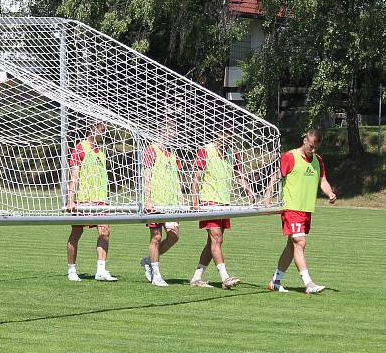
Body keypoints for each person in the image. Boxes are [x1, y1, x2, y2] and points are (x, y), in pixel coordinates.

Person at [264, 129, 336, 293]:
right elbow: (276, 175)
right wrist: (268, 194)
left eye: (316, 147)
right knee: (300, 242)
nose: (313, 150)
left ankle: (275, 281)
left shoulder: (318, 160)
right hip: (292, 208)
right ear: (305, 140)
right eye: (311, 146)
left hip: (306, 210)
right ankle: (308, 283)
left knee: (292, 246)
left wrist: (330, 193)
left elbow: (322, 180)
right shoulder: (290, 156)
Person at [189, 133, 256, 289]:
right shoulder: (206, 150)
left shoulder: (233, 153)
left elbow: (238, 175)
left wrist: (249, 190)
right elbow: (196, 176)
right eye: (227, 136)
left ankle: (196, 277)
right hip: (208, 202)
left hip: (224, 203)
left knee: (213, 242)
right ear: (219, 135)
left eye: (232, 137)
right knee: (216, 238)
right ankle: (225, 278)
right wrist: (194, 200)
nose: (229, 140)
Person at [65, 121, 116, 282]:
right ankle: (71, 269)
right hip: (84, 199)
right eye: (101, 129)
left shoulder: (101, 152)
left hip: (100, 200)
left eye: (104, 130)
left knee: (105, 232)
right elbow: (74, 175)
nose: (103, 133)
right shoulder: (80, 147)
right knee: (77, 232)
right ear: (92, 129)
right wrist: (70, 200)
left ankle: (101, 270)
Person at [140, 123, 183, 287]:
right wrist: (148, 198)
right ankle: (156, 274)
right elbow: (147, 176)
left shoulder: (172, 154)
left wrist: (180, 196)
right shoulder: (151, 150)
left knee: (174, 236)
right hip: (156, 202)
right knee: (156, 237)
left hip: (170, 203)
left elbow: (177, 177)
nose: (173, 133)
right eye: (171, 129)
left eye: (175, 130)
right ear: (161, 130)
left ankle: (148, 261)